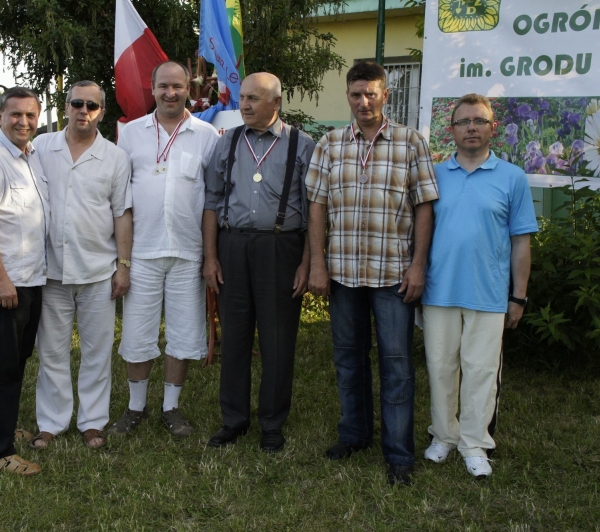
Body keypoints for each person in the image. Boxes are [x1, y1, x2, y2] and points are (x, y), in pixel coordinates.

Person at [306, 61, 439, 485]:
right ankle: (355, 434)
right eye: (356, 94)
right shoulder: (329, 144)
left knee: (396, 365)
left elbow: (424, 206)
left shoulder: (410, 142)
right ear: (348, 95)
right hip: (343, 273)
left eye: (371, 94)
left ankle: (399, 454)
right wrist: (317, 264)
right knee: (348, 360)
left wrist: (418, 265)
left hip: (392, 274)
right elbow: (316, 207)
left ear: (385, 95)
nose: (363, 102)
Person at [421, 93, 538, 478]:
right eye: (464, 121)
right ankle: (444, 435)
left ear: (492, 128)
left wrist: (518, 296)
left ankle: (474, 444)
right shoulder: (435, 175)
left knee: (481, 372)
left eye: (479, 121)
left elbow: (521, 241)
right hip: (439, 290)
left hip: (488, 293)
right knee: (440, 368)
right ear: (452, 129)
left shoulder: (512, 177)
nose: (471, 127)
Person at [203, 72, 315, 453]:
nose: (245, 105)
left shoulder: (302, 145)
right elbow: (211, 200)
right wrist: (211, 256)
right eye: (243, 97)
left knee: (277, 339)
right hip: (233, 246)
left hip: (280, 248)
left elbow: (315, 211)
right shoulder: (228, 141)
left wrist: (307, 263)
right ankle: (234, 420)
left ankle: (272, 423)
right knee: (234, 337)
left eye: (253, 98)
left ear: (276, 102)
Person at [110, 61, 219, 438]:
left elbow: (212, 200)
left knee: (185, 334)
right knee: (137, 334)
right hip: (141, 252)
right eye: (163, 86)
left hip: (188, 253)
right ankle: (135, 407)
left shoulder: (207, 135)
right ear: (153, 89)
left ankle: (171, 408)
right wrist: (122, 260)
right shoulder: (131, 134)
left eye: (177, 86)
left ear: (188, 88)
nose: (170, 93)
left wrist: (210, 255)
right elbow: (120, 199)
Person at [30, 81, 132, 450]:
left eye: (92, 105)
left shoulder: (115, 157)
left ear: (102, 112)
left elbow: (122, 215)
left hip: (98, 271)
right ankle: (51, 423)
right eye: (77, 103)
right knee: (52, 352)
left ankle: (92, 422)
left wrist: (123, 266)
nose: (83, 111)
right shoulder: (41, 147)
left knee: (97, 353)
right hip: (50, 271)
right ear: (65, 107)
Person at [0, 87, 49, 476]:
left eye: (31, 115)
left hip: (31, 277)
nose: (23, 121)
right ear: (0, 116)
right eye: (15, 114)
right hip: (8, 283)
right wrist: (1, 280)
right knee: (1, 366)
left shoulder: (29, 158)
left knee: (15, 359)